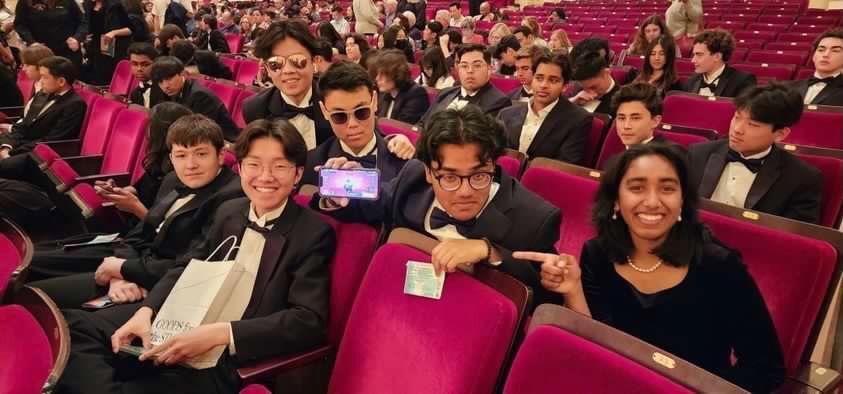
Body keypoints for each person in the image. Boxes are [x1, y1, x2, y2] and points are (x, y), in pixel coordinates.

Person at [55, 118, 334, 394]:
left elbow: (307, 321)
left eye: (280, 166)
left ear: (297, 174)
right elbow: (186, 266)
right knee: (71, 326)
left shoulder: (313, 232)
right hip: (183, 317)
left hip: (226, 354)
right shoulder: (230, 211)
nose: (265, 176)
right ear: (240, 167)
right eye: (254, 164)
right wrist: (146, 311)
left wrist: (220, 333)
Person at [517, 143, 785, 393]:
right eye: (637, 188)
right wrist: (573, 290)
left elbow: (765, 367)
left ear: (682, 201)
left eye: (667, 189)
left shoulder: (719, 266)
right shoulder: (598, 253)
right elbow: (600, 343)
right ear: (616, 201)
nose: (653, 202)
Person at [316, 105, 560, 301]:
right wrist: (340, 195)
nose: (465, 192)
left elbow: (542, 296)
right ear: (429, 173)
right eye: (450, 177)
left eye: (479, 176)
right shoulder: (411, 179)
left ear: (493, 166)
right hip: (409, 304)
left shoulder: (535, 218)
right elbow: (376, 205)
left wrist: (491, 251)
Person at [27, 114, 243, 308]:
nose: (190, 164)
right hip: (134, 267)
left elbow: (192, 265)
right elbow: (139, 234)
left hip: (163, 287)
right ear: (171, 158)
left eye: (201, 154)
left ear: (221, 155)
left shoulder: (231, 197)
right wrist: (119, 273)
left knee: (34, 301)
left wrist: (122, 269)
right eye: (181, 155)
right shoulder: (171, 180)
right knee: (28, 270)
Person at [688, 83, 822, 224]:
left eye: (753, 124)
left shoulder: (802, 178)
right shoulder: (698, 153)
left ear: (780, 134)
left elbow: (792, 238)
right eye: (737, 117)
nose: (737, 129)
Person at [302, 61, 412, 186]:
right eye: (339, 116)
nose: (352, 124)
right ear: (324, 111)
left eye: (361, 112)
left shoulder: (405, 162)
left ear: (374, 102)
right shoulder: (311, 164)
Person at [241, 21, 334, 150]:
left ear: (313, 62)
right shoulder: (254, 109)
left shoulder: (335, 100)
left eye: (297, 61)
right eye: (276, 64)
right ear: (267, 69)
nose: (288, 70)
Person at [497, 53, 591, 164]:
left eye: (553, 80)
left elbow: (564, 165)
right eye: (539, 78)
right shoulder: (506, 114)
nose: (543, 85)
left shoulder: (578, 120)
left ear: (565, 86)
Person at [0, 56, 86, 174]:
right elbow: (24, 126)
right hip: (21, 146)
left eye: (45, 77)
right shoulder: (42, 94)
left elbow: (53, 140)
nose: (40, 81)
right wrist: (6, 146)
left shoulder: (75, 104)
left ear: (61, 81)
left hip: (39, 154)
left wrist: (12, 153)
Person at [419, 44, 512, 127]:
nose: (470, 70)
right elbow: (422, 124)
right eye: (464, 66)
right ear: (458, 70)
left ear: (489, 69)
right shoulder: (445, 92)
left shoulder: (499, 102)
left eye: (477, 65)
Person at [150, 56, 239, 141]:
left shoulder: (199, 95)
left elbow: (201, 131)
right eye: (160, 82)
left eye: (169, 78)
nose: (165, 86)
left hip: (223, 142)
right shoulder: (173, 91)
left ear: (183, 74)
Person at [684, 29, 755, 98]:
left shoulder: (742, 81)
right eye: (694, 55)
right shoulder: (693, 80)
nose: (693, 60)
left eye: (699, 55)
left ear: (717, 56)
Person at [14, 0, 84, 67]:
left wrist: (77, 38)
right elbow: (20, 25)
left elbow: (82, 21)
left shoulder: (68, 2)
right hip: (42, 53)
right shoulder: (25, 2)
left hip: (68, 50)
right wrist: (31, 42)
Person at [370, 49, 430, 124]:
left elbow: (400, 128)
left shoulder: (416, 94)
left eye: (382, 74)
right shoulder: (385, 94)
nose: (377, 78)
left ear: (396, 73)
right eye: (377, 74)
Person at [791, 28, 843, 106]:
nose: (825, 55)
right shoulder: (788, 88)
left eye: (835, 51)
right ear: (813, 56)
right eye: (821, 50)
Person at [569, 49, 620, 115]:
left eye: (593, 87)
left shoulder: (621, 99)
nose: (589, 92)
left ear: (606, 73)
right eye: (584, 88)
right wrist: (573, 101)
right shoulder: (577, 87)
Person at [128, 42, 164, 108]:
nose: (139, 69)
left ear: (155, 64)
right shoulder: (134, 94)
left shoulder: (166, 89)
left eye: (145, 64)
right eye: (135, 64)